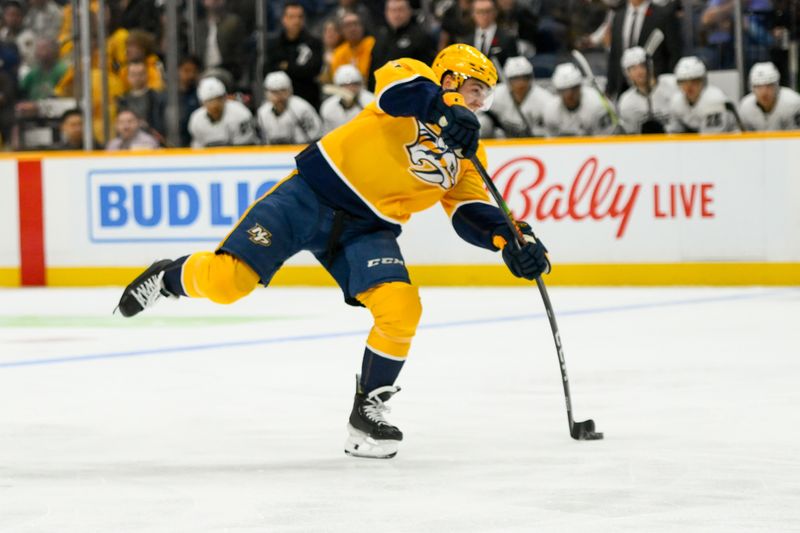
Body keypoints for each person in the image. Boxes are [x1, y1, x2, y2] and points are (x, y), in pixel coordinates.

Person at [115, 44, 550, 459]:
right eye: (476, 91)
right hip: (309, 197)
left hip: (366, 230)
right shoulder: (413, 77)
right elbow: (398, 94)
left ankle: (367, 413)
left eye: (485, 98)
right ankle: (169, 278)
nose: (480, 104)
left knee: (401, 307)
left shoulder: (467, 157)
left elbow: (471, 211)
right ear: (451, 78)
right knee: (228, 283)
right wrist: (445, 108)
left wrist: (508, 239)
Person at [606, 0, 683, 98]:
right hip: (624, 87)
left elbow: (674, 53)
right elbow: (614, 54)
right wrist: (610, 88)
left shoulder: (663, 14)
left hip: (655, 87)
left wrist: (667, 83)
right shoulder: (618, 16)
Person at [266, 1, 323, 110]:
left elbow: (312, 70)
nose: (296, 21)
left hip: (307, 99)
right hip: (279, 101)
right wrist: (297, 68)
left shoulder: (313, 42)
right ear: (283, 19)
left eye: (300, 17)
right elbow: (268, 70)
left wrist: (286, 66)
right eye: (291, 17)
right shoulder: (274, 44)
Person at [368, 0, 435, 91]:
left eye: (400, 10)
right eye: (392, 10)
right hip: (380, 92)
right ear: (386, 13)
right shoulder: (380, 35)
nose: (396, 15)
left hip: (409, 92)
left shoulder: (420, 36)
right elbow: (373, 65)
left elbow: (428, 70)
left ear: (409, 11)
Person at [479, 56, 552, 138]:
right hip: (504, 140)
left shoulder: (545, 99)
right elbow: (477, 112)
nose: (521, 83)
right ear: (507, 80)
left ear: (531, 78)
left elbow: (552, 129)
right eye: (515, 78)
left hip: (534, 142)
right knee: (483, 122)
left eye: (525, 77)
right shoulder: (495, 94)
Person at [667, 55, 739, 134]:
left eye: (694, 81)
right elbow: (674, 133)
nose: (689, 86)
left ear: (703, 81)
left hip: (729, 142)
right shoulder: (676, 101)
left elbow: (711, 140)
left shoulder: (714, 100)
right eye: (683, 81)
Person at [543, 62, 616, 137]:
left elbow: (606, 142)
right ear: (557, 91)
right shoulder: (550, 110)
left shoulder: (598, 106)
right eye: (563, 90)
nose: (569, 95)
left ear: (580, 86)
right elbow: (551, 144)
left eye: (573, 89)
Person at [616, 46, 678, 134]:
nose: (639, 71)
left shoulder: (672, 84)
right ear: (627, 73)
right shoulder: (626, 102)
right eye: (633, 68)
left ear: (650, 66)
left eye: (642, 66)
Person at [188, 76, 257, 148]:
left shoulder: (240, 114)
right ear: (202, 103)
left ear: (225, 98)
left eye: (218, 99)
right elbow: (198, 149)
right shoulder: (196, 120)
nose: (215, 105)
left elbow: (245, 149)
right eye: (210, 101)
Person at [256, 71, 322, 144]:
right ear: (266, 93)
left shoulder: (302, 108)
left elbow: (315, 138)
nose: (279, 96)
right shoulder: (262, 112)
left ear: (290, 90)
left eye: (283, 90)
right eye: (274, 92)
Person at [738, 62, 800, 131]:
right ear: (752, 88)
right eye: (758, 87)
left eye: (769, 86)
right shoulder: (745, 107)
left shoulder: (793, 103)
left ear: (777, 86)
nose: (764, 92)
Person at [458, 0, 518, 70]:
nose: (484, 16)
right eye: (480, 12)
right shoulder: (466, 41)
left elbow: (514, 67)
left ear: (495, 12)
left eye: (488, 11)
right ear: (473, 14)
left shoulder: (507, 38)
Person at [117, 60, 165, 139]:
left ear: (147, 75)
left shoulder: (157, 98)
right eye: (133, 74)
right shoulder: (123, 100)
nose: (137, 78)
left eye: (140, 74)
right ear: (128, 77)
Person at [320, 64, 374, 134]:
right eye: (345, 86)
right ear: (338, 87)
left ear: (360, 85)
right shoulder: (328, 107)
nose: (350, 89)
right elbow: (327, 135)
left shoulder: (371, 102)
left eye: (354, 84)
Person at [330, 10, 374, 81]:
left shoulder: (372, 44)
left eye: (355, 24)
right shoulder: (338, 53)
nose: (352, 29)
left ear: (362, 27)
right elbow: (337, 79)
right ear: (341, 30)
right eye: (348, 25)